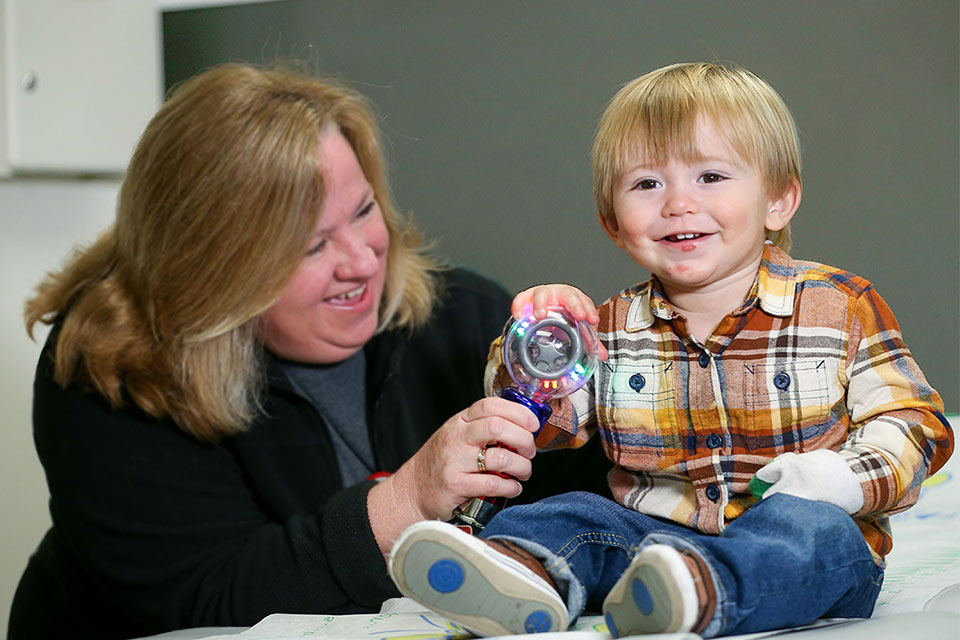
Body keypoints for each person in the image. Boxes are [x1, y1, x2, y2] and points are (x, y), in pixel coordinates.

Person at [8, 63, 611, 640]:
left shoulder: (460, 317)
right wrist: (405, 501)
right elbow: (203, 600)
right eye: (309, 245)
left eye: (364, 210)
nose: (362, 259)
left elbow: (596, 501)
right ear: (207, 266)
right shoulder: (112, 369)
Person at [388, 62, 954, 638]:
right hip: (652, 542)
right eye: (647, 184)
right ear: (613, 221)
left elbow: (916, 426)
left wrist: (842, 479)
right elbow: (536, 425)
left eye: (710, 176)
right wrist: (540, 337)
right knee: (567, 514)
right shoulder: (605, 329)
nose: (678, 203)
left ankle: (705, 590)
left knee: (812, 531)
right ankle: (523, 576)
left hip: (807, 543)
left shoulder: (840, 307)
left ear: (779, 201)